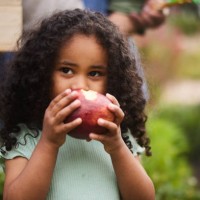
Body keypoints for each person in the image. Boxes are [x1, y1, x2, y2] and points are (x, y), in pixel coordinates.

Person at [0, 9, 154, 199]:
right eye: (66, 70)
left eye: (94, 73)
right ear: (42, 73)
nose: (80, 85)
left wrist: (117, 147)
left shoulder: (117, 134)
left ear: (113, 79)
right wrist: (49, 142)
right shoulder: (27, 136)